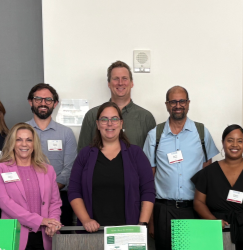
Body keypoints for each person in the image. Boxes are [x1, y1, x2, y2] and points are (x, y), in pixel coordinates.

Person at [143, 86, 219, 250]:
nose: (178, 105)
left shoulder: (201, 133)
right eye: (173, 102)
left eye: (182, 101)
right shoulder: (155, 135)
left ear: (188, 103)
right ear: (167, 105)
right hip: (164, 210)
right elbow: (148, 180)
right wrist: (151, 219)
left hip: (194, 209)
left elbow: (208, 175)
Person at [68, 102, 155, 232]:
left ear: (121, 123)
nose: (110, 123)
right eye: (104, 119)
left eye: (114, 119)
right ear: (97, 124)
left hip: (129, 231)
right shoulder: (85, 155)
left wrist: (142, 225)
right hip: (91, 232)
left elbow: (148, 191)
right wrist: (86, 220)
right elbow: (74, 191)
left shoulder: (136, 154)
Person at [0, 123, 62, 250]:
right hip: (15, 237)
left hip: (45, 237)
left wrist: (53, 222)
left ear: (34, 144)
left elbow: (55, 202)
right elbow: (5, 203)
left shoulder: (48, 170)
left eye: (29, 140)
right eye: (19, 139)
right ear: (12, 143)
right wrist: (40, 221)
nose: (24, 144)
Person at [26, 83, 77, 227]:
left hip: (60, 199)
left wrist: (48, 190)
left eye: (48, 100)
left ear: (55, 104)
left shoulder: (66, 133)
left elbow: (69, 169)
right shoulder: (20, 131)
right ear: (31, 101)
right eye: (38, 99)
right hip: (26, 198)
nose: (43, 103)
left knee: (59, 244)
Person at [77, 61, 156, 152]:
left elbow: (152, 157)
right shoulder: (92, 115)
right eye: (115, 79)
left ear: (131, 83)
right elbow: (82, 154)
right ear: (109, 84)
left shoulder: (146, 117)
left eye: (124, 78)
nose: (120, 83)